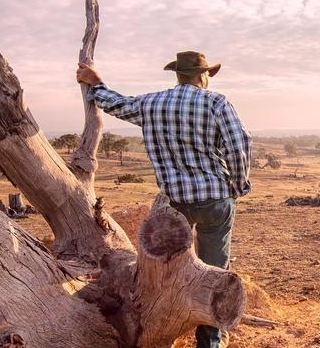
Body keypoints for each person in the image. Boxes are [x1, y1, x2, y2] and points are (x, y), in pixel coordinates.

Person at [76, 50, 252, 348]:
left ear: (178, 74)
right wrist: (238, 185)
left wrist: (96, 83)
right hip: (215, 199)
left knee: (170, 269)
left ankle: (159, 324)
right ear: (202, 75)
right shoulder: (215, 102)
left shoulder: (152, 103)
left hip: (175, 204)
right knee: (215, 269)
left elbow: (115, 104)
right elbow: (240, 143)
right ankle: (210, 341)